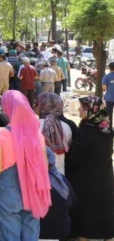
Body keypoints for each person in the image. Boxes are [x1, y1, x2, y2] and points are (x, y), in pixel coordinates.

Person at [0, 90, 51, 240]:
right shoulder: (37, 135)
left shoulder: (0, 133)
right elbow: (45, 167)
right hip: (33, 192)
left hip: (7, 193)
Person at [65, 96, 114, 240]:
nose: (79, 109)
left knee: (86, 212)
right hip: (105, 176)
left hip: (87, 178)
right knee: (105, 208)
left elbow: (75, 156)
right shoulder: (106, 128)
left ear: (90, 109)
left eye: (82, 107)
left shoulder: (86, 130)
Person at [40, 148, 76, 241]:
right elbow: (72, 204)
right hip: (61, 232)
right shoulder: (61, 179)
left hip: (38, 232)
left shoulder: (29, 181)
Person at [36, 92, 72, 174]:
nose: (34, 106)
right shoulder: (66, 126)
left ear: (45, 105)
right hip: (59, 175)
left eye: (37, 103)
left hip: (39, 176)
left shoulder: (35, 125)